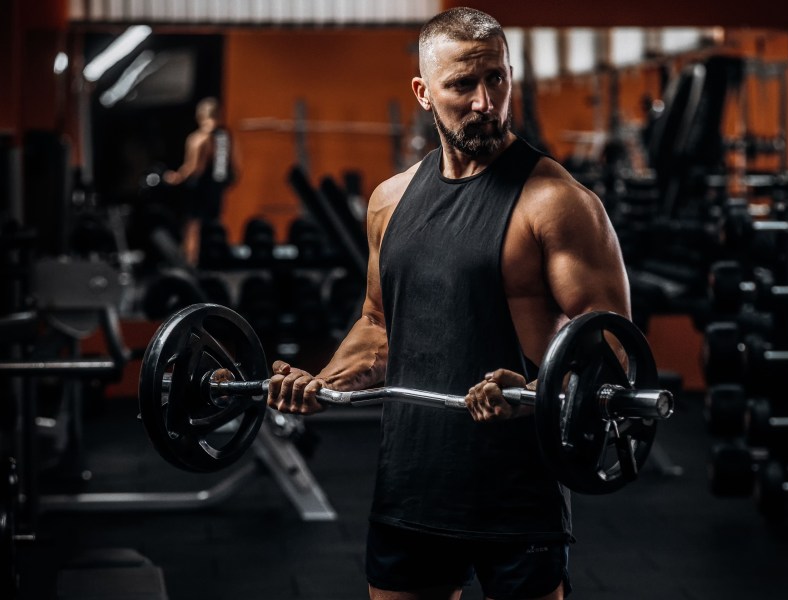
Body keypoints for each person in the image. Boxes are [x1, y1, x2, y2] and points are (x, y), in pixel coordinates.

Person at [267, 8, 630, 600]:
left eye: (497, 79)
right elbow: (378, 324)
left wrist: (536, 393)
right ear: (424, 93)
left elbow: (610, 345)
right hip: (411, 482)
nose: (486, 102)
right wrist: (323, 382)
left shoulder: (556, 202)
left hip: (517, 490)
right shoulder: (390, 201)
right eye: (463, 84)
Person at [162, 97, 237, 266]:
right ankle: (212, 260)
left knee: (192, 226)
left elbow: (195, 168)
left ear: (200, 116)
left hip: (199, 188)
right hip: (217, 188)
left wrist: (176, 178)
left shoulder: (199, 138)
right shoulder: (225, 137)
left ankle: (190, 262)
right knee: (213, 224)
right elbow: (235, 166)